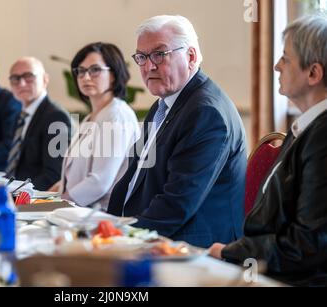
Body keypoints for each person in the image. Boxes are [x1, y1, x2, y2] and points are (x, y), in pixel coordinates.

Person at [107, 15, 247, 248]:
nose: (148, 66)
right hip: (153, 235)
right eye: (142, 57)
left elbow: (178, 203)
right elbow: (133, 179)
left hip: (192, 248)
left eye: (159, 55)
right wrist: (107, 225)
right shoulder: (163, 105)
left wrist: (122, 238)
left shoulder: (206, 113)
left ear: (190, 56)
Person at [210, 15, 327, 287]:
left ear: (313, 73)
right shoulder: (306, 128)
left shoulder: (322, 138)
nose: (276, 66)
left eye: (285, 58)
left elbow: (306, 246)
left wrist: (230, 252)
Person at [49, 42, 140, 210]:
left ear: (113, 74)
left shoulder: (116, 115)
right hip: (78, 211)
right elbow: (74, 174)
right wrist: (48, 197)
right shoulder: (91, 117)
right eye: (81, 71)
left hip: (102, 216)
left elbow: (100, 181)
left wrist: (57, 205)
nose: (86, 77)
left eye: (95, 70)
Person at [5, 57, 72, 190]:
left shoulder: (57, 118)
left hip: (33, 200)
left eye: (28, 76)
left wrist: (14, 193)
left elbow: (54, 175)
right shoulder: (21, 116)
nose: (21, 83)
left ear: (45, 79)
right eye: (15, 78)